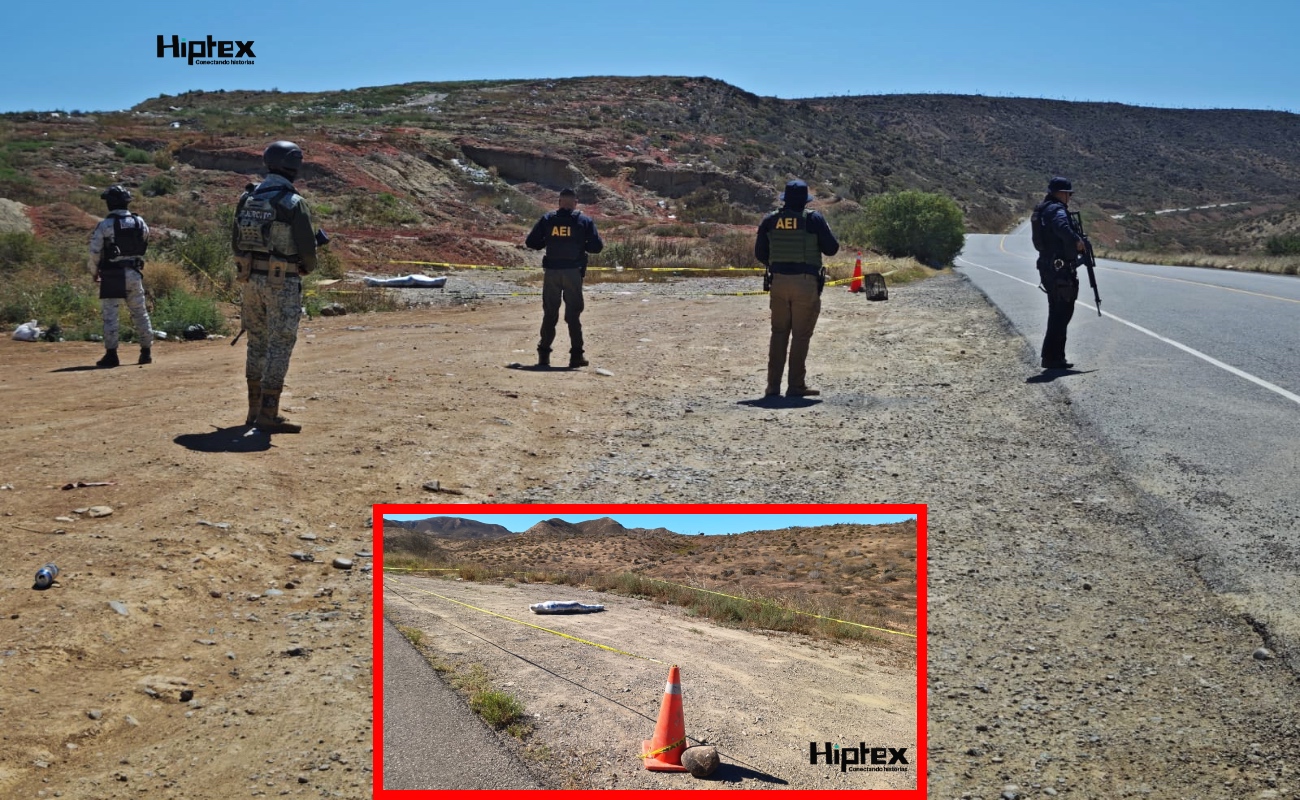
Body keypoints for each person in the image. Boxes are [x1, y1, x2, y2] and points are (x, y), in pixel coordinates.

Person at [231, 140, 318, 433]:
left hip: (250, 281)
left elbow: (236, 241)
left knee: (256, 341)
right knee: (280, 343)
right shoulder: (293, 202)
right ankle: (269, 413)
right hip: (282, 281)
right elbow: (308, 251)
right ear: (294, 165)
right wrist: (306, 265)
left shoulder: (247, 198)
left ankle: (253, 410)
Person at [755, 179, 839, 397]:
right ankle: (795, 386)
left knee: (779, 333)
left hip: (778, 282)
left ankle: (772, 386)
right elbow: (831, 249)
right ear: (805, 201)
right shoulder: (813, 219)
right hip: (805, 282)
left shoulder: (771, 220)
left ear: (785, 199)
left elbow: (760, 254)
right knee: (800, 336)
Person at [524, 187, 603, 368]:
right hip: (573, 272)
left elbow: (531, 242)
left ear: (559, 202)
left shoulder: (548, 219)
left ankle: (544, 355)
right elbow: (596, 247)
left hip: (552, 272)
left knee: (550, 314)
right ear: (575, 203)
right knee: (573, 315)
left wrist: (548, 241)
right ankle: (576, 356)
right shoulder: (583, 221)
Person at [89, 185, 153, 368]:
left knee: (110, 315)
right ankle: (146, 352)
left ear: (111, 203)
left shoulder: (105, 225)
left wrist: (94, 272)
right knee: (140, 312)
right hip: (133, 272)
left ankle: (111, 355)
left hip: (112, 273)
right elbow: (144, 241)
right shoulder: (139, 222)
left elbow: (94, 252)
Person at [1031, 176, 1087, 370]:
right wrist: (1077, 241)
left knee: (1057, 311)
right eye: (1068, 194)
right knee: (1062, 312)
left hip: (1048, 266)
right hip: (1059, 269)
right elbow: (1062, 227)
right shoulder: (1057, 210)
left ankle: (1054, 356)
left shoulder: (1043, 209)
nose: (1069, 198)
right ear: (1060, 193)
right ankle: (1053, 358)